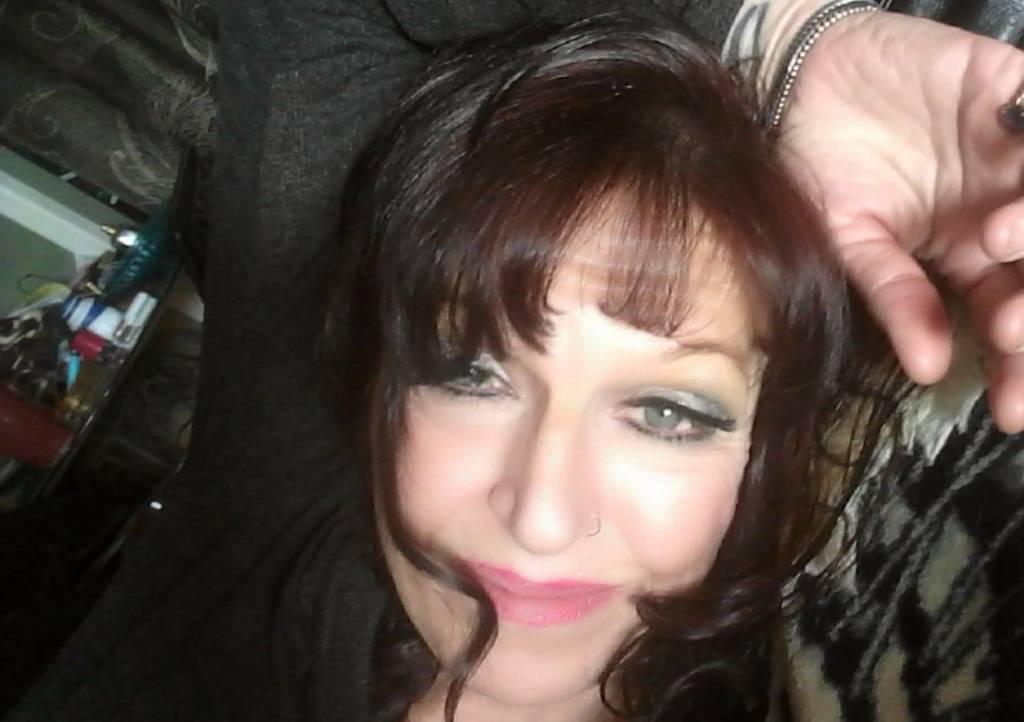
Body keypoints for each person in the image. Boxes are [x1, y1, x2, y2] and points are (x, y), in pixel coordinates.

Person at [4, 1, 1022, 721]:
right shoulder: (270, 545)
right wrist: (785, 36)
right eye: (471, 373)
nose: (538, 515)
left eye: (667, 411)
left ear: (761, 452)